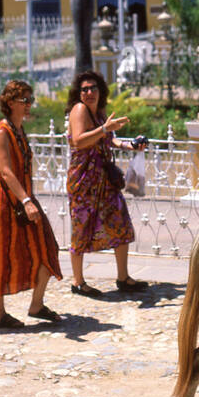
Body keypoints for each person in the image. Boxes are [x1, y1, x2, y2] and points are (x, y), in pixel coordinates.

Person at [0, 79, 63, 330]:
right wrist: (26, 200)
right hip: (7, 203)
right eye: (24, 100)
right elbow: (7, 172)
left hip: (25, 199)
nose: (29, 105)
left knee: (48, 247)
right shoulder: (2, 132)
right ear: (10, 103)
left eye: (30, 99)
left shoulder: (19, 130)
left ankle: (36, 304)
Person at [65, 69, 149, 296]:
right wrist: (104, 129)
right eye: (84, 89)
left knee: (120, 221)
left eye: (93, 88)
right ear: (79, 93)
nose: (89, 92)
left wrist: (130, 144)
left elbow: (109, 140)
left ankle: (123, 277)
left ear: (101, 91)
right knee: (81, 227)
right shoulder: (79, 110)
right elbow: (80, 141)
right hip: (84, 180)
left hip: (103, 178)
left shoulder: (100, 113)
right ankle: (78, 282)